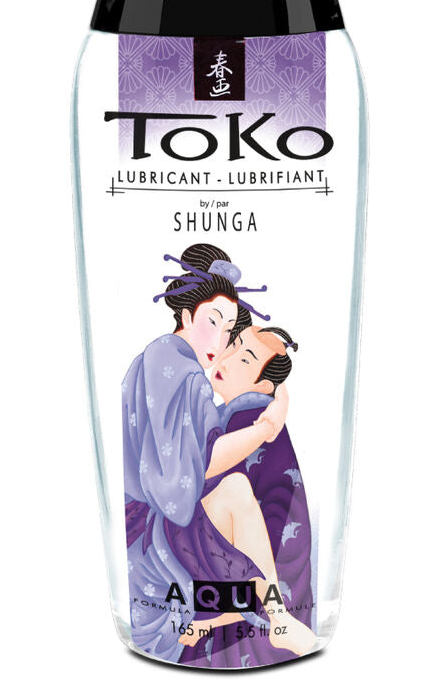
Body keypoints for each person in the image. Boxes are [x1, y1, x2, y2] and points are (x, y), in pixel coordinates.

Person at [123, 244, 291, 662]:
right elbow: (192, 469)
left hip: (148, 521)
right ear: (186, 315)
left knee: (237, 490)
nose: (220, 339)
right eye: (212, 321)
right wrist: (265, 427)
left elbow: (189, 451)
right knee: (235, 490)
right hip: (152, 535)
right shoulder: (179, 369)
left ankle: (273, 617)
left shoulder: (165, 358)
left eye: (229, 328)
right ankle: (279, 618)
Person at [172, 324, 317, 667]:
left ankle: (272, 617)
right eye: (233, 345)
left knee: (233, 488)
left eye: (245, 359)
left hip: (250, 569)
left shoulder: (248, 419)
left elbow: (203, 475)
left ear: (263, 386)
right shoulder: (242, 415)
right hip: (231, 559)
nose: (227, 358)